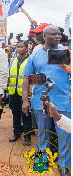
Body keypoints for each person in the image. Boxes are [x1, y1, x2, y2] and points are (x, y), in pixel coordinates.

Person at [22, 25, 71, 176]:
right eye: (53, 34)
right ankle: (42, 163)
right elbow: (26, 78)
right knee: (43, 135)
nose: (58, 36)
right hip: (40, 101)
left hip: (63, 101)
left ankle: (64, 165)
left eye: (59, 34)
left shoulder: (66, 53)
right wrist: (25, 100)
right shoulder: (35, 56)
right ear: (44, 37)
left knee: (64, 135)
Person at [8, 41, 32, 146]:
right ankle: (17, 133)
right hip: (14, 92)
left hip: (25, 93)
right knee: (15, 114)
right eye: (17, 47)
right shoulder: (13, 60)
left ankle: (27, 136)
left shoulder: (30, 60)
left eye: (21, 47)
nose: (19, 49)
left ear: (27, 48)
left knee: (26, 114)